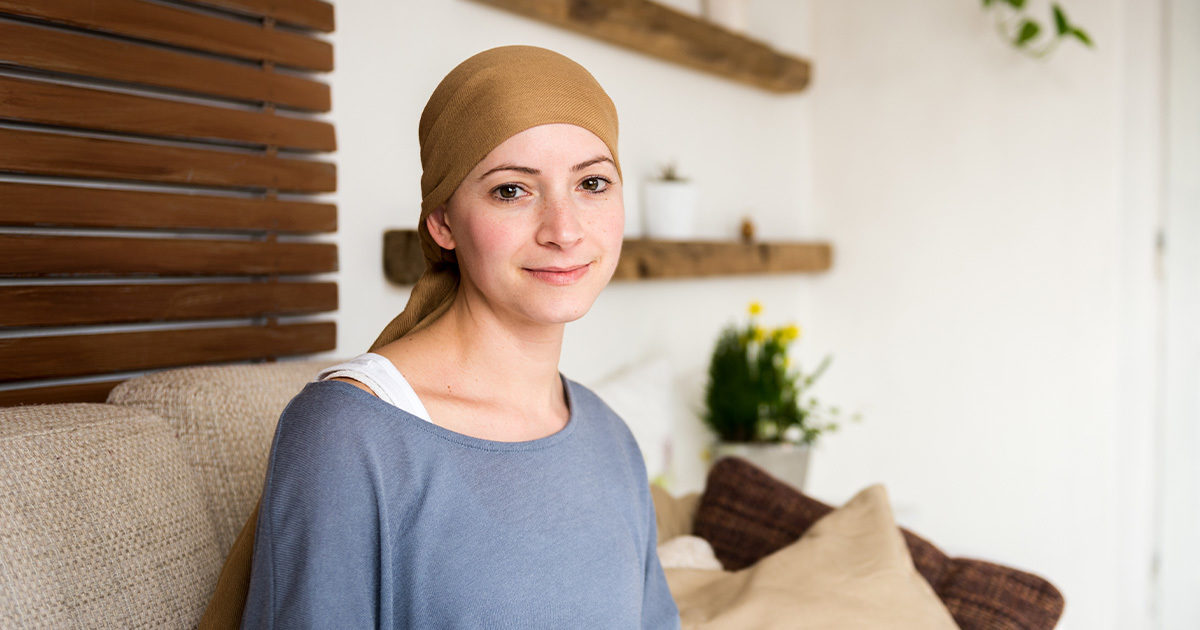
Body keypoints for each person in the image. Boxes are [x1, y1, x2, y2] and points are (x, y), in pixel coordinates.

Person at [238, 45, 681, 628]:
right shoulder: (349, 435)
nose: (564, 230)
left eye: (592, 183)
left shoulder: (609, 437)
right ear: (442, 223)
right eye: (511, 191)